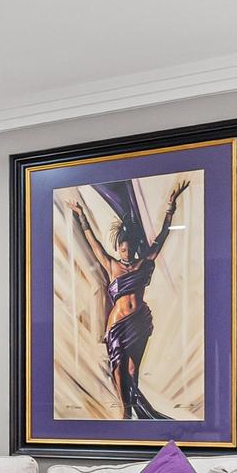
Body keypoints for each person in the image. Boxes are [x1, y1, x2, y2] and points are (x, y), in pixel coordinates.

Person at [64, 175, 190, 421]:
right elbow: (93, 244)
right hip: (118, 325)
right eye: (122, 248)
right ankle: (124, 415)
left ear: (134, 247)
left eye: (129, 248)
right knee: (120, 372)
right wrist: (81, 216)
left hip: (139, 323)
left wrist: (171, 204)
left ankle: (136, 416)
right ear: (118, 248)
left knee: (133, 371)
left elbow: (163, 236)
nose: (127, 252)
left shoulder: (143, 264)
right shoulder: (111, 266)